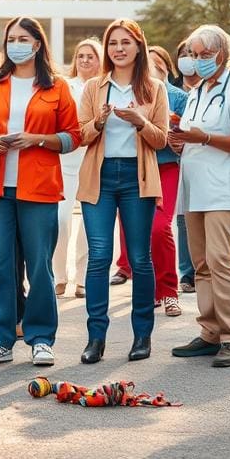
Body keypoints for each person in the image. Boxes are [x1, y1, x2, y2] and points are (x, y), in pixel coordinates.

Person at [0, 17, 80, 367]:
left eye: (23, 38)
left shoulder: (57, 87)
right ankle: (1, 339)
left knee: (40, 267)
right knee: (1, 265)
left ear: (37, 44)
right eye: (11, 38)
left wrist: (38, 140)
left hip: (40, 188)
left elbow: (73, 136)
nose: (15, 44)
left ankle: (41, 339)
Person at [77, 19, 169, 364]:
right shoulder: (93, 87)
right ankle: (95, 337)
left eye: (126, 42)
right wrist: (99, 122)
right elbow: (80, 135)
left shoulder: (153, 88)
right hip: (99, 175)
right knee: (99, 256)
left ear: (138, 47)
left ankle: (142, 335)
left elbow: (161, 139)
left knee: (140, 258)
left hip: (137, 177)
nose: (118, 48)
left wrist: (139, 121)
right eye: (113, 43)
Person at [170, 25, 230, 368]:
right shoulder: (197, 90)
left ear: (223, 54)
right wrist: (181, 138)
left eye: (205, 54)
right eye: (194, 54)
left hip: (221, 190)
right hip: (194, 187)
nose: (197, 60)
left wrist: (203, 138)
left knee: (221, 261)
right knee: (201, 264)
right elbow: (194, 135)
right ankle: (209, 332)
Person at [113, 45, 186, 317]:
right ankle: (149, 291)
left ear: (168, 67)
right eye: (148, 63)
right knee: (137, 233)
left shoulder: (177, 96)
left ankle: (169, 291)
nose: (154, 69)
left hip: (166, 166)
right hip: (136, 167)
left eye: (159, 64)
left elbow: (182, 137)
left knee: (159, 228)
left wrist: (166, 125)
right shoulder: (128, 92)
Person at [54, 38, 99, 299]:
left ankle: (82, 278)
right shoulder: (64, 86)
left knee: (90, 223)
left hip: (93, 160)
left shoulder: (102, 87)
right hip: (65, 161)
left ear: (98, 60)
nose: (84, 60)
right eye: (80, 55)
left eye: (90, 56)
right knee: (60, 220)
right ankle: (60, 276)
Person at [174, 39, 198, 293]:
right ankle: (187, 273)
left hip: (203, 159)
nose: (188, 59)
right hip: (177, 160)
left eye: (193, 54)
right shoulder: (171, 90)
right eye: (184, 54)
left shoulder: (210, 89)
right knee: (183, 219)